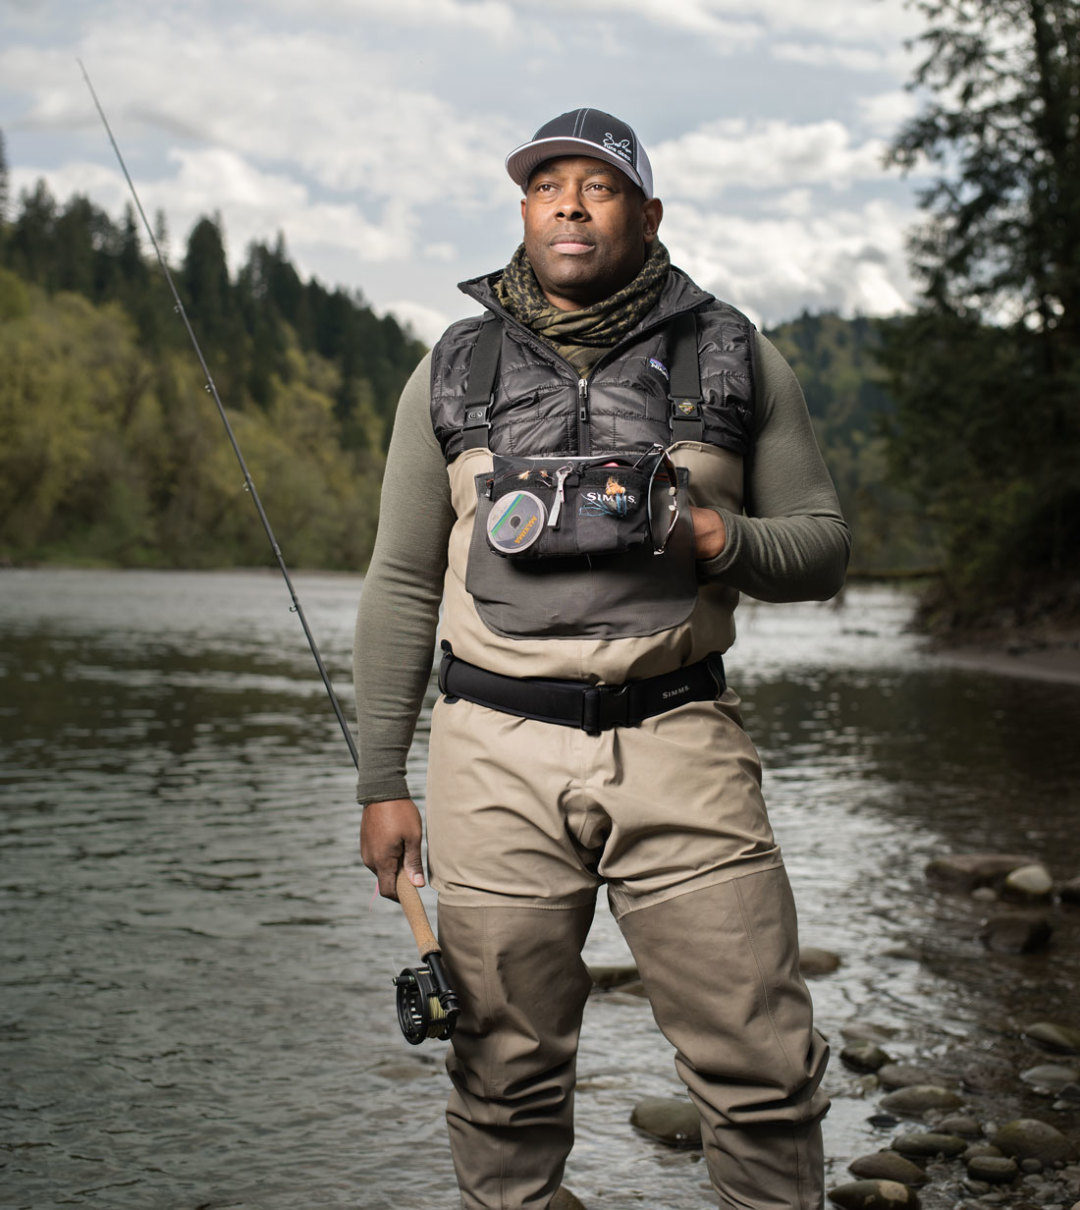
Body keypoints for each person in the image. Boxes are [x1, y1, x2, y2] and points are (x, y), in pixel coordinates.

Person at [355, 107, 848, 1210]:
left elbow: (822, 549)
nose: (569, 204)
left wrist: (724, 539)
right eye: (546, 186)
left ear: (648, 212)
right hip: (489, 754)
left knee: (763, 1072)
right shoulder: (450, 367)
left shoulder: (734, 352)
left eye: (599, 186)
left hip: (678, 734)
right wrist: (381, 780)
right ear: (524, 210)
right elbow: (399, 581)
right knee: (502, 1079)